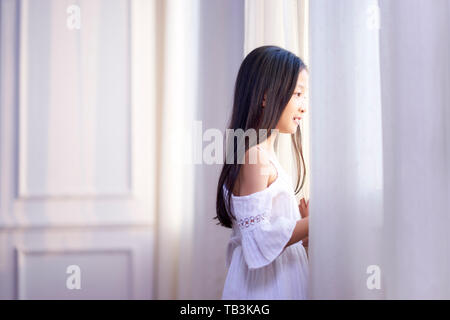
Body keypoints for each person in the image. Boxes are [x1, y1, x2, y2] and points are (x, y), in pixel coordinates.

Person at [215, 45, 310, 299]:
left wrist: (305, 231)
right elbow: (257, 240)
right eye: (297, 94)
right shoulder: (255, 157)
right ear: (266, 96)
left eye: (304, 96)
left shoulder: (264, 155)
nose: (303, 107)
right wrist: (313, 223)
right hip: (264, 290)